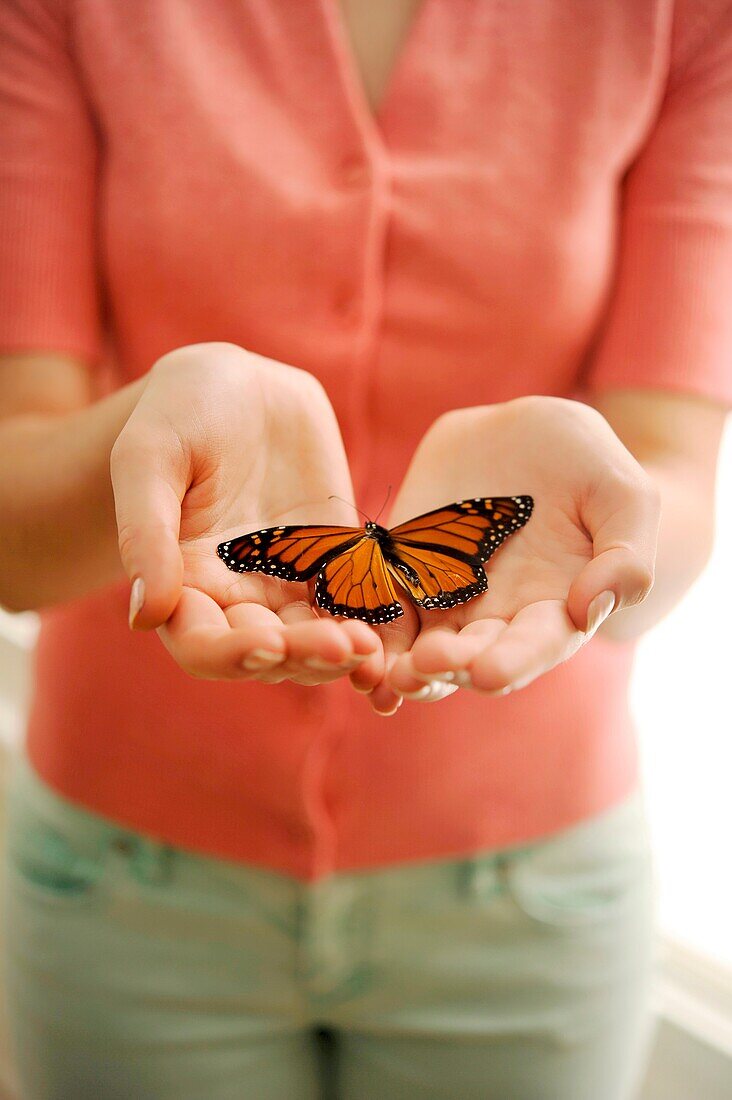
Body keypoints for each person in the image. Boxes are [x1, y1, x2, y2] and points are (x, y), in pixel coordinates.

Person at [0, 1, 730, 1097]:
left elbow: (671, 491)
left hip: (530, 894)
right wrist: (146, 425)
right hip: (117, 869)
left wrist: (610, 518)